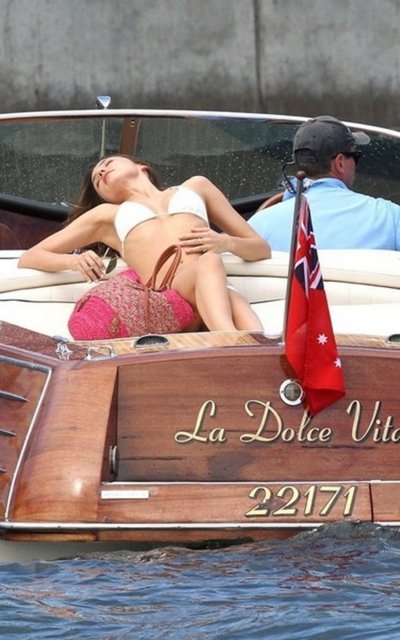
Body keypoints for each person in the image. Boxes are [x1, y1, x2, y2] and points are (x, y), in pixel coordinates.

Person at [18, 155, 271, 332]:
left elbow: (260, 248)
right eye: (97, 180)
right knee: (210, 262)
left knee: (251, 328)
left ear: (142, 166)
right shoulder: (107, 215)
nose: (102, 172)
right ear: (104, 196)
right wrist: (74, 261)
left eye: (107, 164)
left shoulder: (197, 187)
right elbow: (30, 256)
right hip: (171, 298)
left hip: (213, 290)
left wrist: (226, 242)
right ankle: (227, 342)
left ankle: (239, 352)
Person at [248, 115, 400, 251]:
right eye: (355, 156)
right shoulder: (389, 216)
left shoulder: (257, 228)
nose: (356, 165)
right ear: (340, 163)